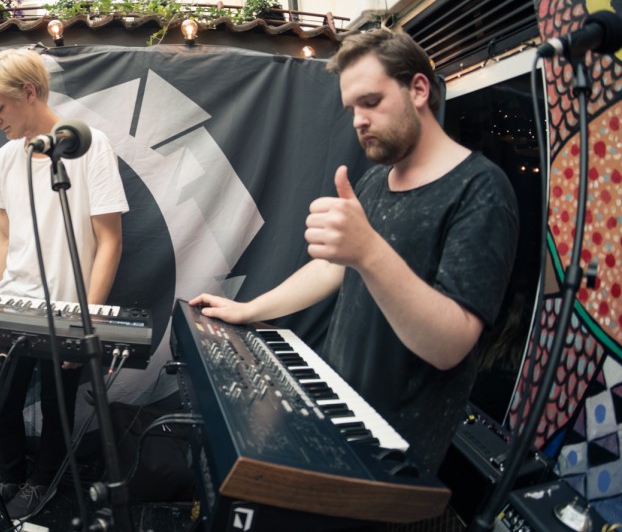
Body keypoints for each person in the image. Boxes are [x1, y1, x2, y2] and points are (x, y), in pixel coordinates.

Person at [191, 29, 519, 473]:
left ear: (419, 89)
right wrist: (249, 311)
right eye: (352, 109)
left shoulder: (481, 189)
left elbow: (450, 345)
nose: (359, 120)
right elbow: (331, 269)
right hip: (342, 407)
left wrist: (368, 251)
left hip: (395, 452)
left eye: (371, 102)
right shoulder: (374, 182)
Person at [0, 49, 128, 521]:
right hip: (12, 305)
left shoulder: (90, 145)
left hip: (69, 310)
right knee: (2, 404)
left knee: (58, 409)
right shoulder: (3, 157)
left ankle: (42, 484)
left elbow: (110, 240)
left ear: (29, 93)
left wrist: (87, 319)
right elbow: (2, 231)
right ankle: (12, 474)